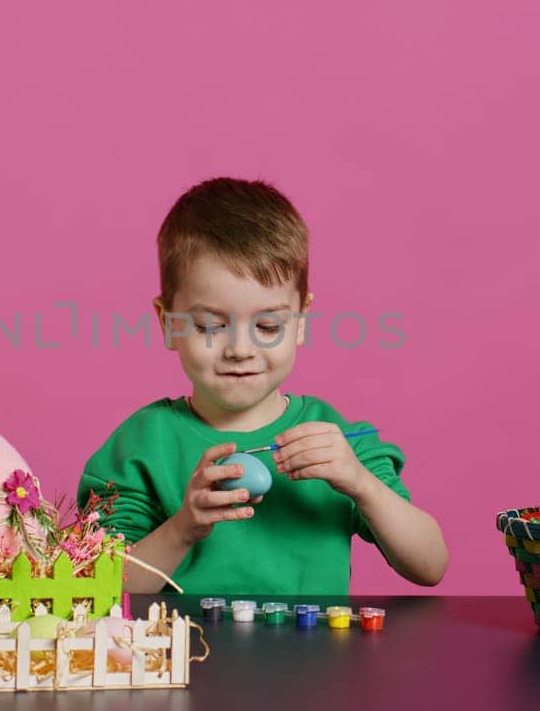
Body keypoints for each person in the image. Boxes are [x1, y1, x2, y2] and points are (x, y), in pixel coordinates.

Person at [76, 176, 448, 595]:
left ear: (300, 321)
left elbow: (430, 565)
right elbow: (103, 587)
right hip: (186, 658)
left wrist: (362, 484)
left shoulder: (336, 441)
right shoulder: (142, 445)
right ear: (167, 323)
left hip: (316, 659)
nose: (239, 349)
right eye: (209, 325)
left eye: (268, 325)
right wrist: (182, 527)